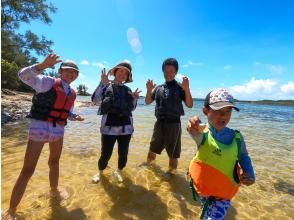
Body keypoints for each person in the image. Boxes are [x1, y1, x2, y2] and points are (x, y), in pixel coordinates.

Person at [4, 54, 84, 219]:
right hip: (39, 130)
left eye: (73, 73)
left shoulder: (72, 93)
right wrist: (41, 65)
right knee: (28, 170)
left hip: (58, 132)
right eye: (67, 71)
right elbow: (23, 75)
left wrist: (73, 116)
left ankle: (54, 193)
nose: (70, 74)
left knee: (54, 162)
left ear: (76, 76)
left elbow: (66, 111)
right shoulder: (47, 82)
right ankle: (11, 211)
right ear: (60, 71)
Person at [187, 88, 255, 220]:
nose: (223, 116)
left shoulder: (237, 137)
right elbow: (193, 130)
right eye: (218, 111)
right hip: (204, 189)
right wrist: (192, 124)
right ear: (206, 111)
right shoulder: (202, 133)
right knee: (206, 212)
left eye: (228, 111)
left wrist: (250, 174)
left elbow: (244, 157)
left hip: (224, 192)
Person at [91, 62, 141, 183]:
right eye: (120, 71)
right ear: (115, 72)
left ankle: (118, 171)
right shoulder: (106, 86)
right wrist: (102, 83)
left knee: (123, 154)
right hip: (109, 128)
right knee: (105, 154)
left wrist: (134, 98)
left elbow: (132, 108)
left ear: (127, 77)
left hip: (126, 129)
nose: (122, 74)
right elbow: (95, 100)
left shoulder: (128, 90)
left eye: (125, 73)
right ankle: (100, 173)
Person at [144, 58, 193, 175]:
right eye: (166, 71)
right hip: (159, 123)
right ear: (163, 72)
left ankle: (171, 173)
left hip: (174, 124)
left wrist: (187, 89)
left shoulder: (180, 88)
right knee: (152, 148)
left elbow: (190, 105)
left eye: (171, 71)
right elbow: (147, 101)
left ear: (175, 72)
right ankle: (149, 167)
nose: (168, 74)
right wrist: (149, 90)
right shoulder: (158, 88)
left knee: (173, 153)